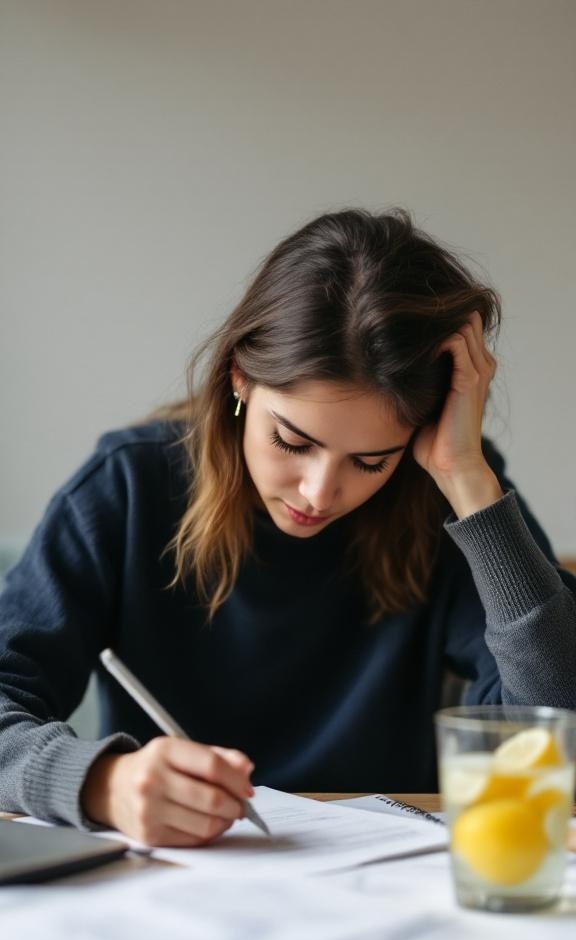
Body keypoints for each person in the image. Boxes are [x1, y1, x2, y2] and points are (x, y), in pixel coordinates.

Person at [1, 209, 575, 848]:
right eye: (291, 439)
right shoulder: (127, 487)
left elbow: (555, 734)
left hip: (386, 885)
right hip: (173, 879)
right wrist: (101, 782)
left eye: (370, 461)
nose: (320, 492)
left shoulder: (450, 495)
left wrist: (469, 477)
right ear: (240, 377)